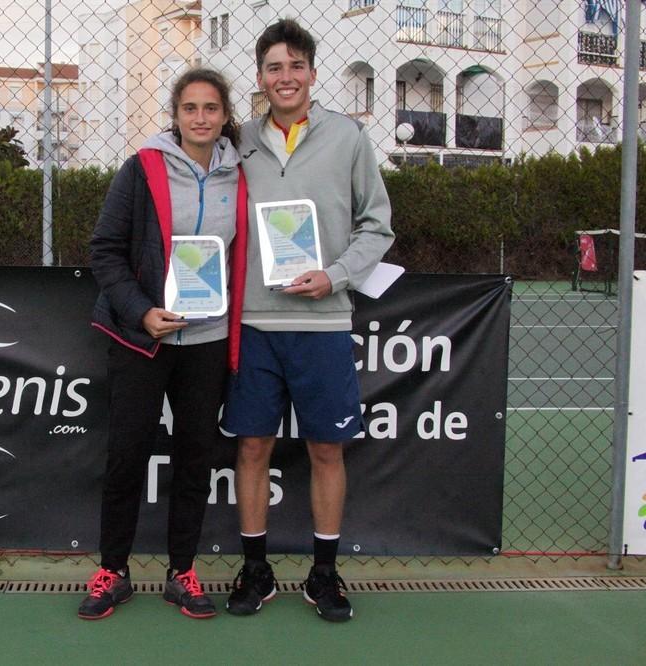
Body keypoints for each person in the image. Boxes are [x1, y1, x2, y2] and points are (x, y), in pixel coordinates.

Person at [222, 18, 394, 622]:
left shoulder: (348, 137)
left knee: (326, 448)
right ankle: (255, 569)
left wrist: (336, 275)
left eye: (296, 65)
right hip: (253, 323)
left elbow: (378, 225)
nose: (285, 76)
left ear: (313, 74)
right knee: (252, 446)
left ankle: (324, 574)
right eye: (274, 67)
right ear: (261, 77)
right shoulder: (236, 139)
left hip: (323, 322)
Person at [78, 68, 249, 620]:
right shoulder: (142, 168)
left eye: (211, 108)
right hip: (143, 338)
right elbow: (104, 249)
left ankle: (183, 572)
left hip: (207, 339)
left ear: (226, 116)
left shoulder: (241, 175)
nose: (201, 118)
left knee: (195, 457)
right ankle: (114, 571)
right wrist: (141, 312)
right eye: (190, 108)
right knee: (127, 453)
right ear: (175, 115)